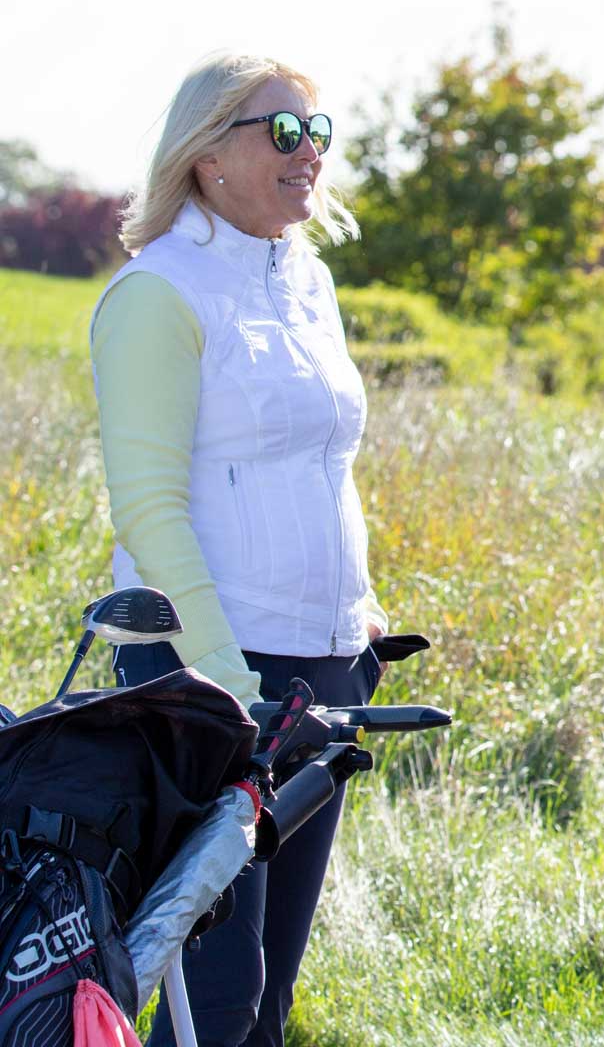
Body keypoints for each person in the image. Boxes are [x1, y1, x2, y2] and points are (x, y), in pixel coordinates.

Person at [90, 53, 387, 1047]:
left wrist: (359, 617)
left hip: (322, 667)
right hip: (211, 676)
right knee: (213, 996)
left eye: (318, 130)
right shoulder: (157, 292)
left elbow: (322, 461)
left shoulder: (311, 281)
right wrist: (222, 674)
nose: (311, 153)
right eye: (284, 131)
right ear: (207, 154)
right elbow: (149, 506)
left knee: (270, 997)